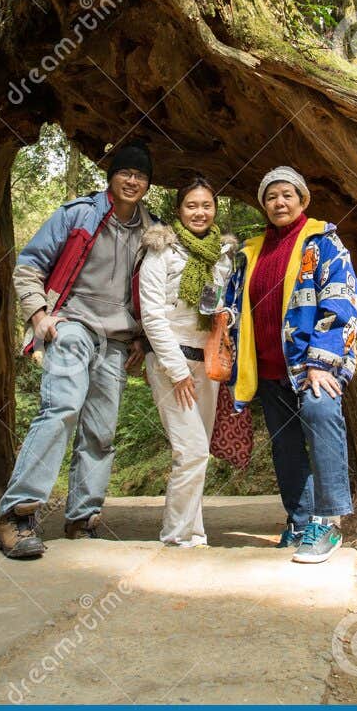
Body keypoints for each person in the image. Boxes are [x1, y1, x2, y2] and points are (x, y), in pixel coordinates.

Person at [0, 140, 157, 560]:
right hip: (72, 325)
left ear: (148, 184)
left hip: (118, 340)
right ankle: (18, 516)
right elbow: (29, 266)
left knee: (101, 432)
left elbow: (152, 293)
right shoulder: (78, 215)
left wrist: (141, 337)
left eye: (140, 175)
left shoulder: (152, 231)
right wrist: (39, 316)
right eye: (126, 172)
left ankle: (83, 519)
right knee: (61, 409)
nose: (132, 180)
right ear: (112, 175)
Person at [223, 166, 357, 564]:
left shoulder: (323, 243)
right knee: (285, 447)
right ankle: (299, 521)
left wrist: (322, 361)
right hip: (266, 368)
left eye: (287, 195)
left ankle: (329, 522)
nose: (278, 202)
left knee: (321, 419)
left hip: (311, 365)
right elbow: (234, 307)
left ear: (303, 200)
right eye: (271, 197)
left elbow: (343, 301)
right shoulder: (251, 251)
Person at [138, 177, 236, 547]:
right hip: (170, 361)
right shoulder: (161, 252)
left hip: (207, 360)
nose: (200, 212)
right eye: (192, 205)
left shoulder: (221, 256)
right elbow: (152, 316)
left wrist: (228, 317)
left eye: (206, 205)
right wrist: (177, 371)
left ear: (215, 209)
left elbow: (224, 306)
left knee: (199, 452)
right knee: (191, 449)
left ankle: (195, 533)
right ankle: (176, 537)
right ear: (179, 210)